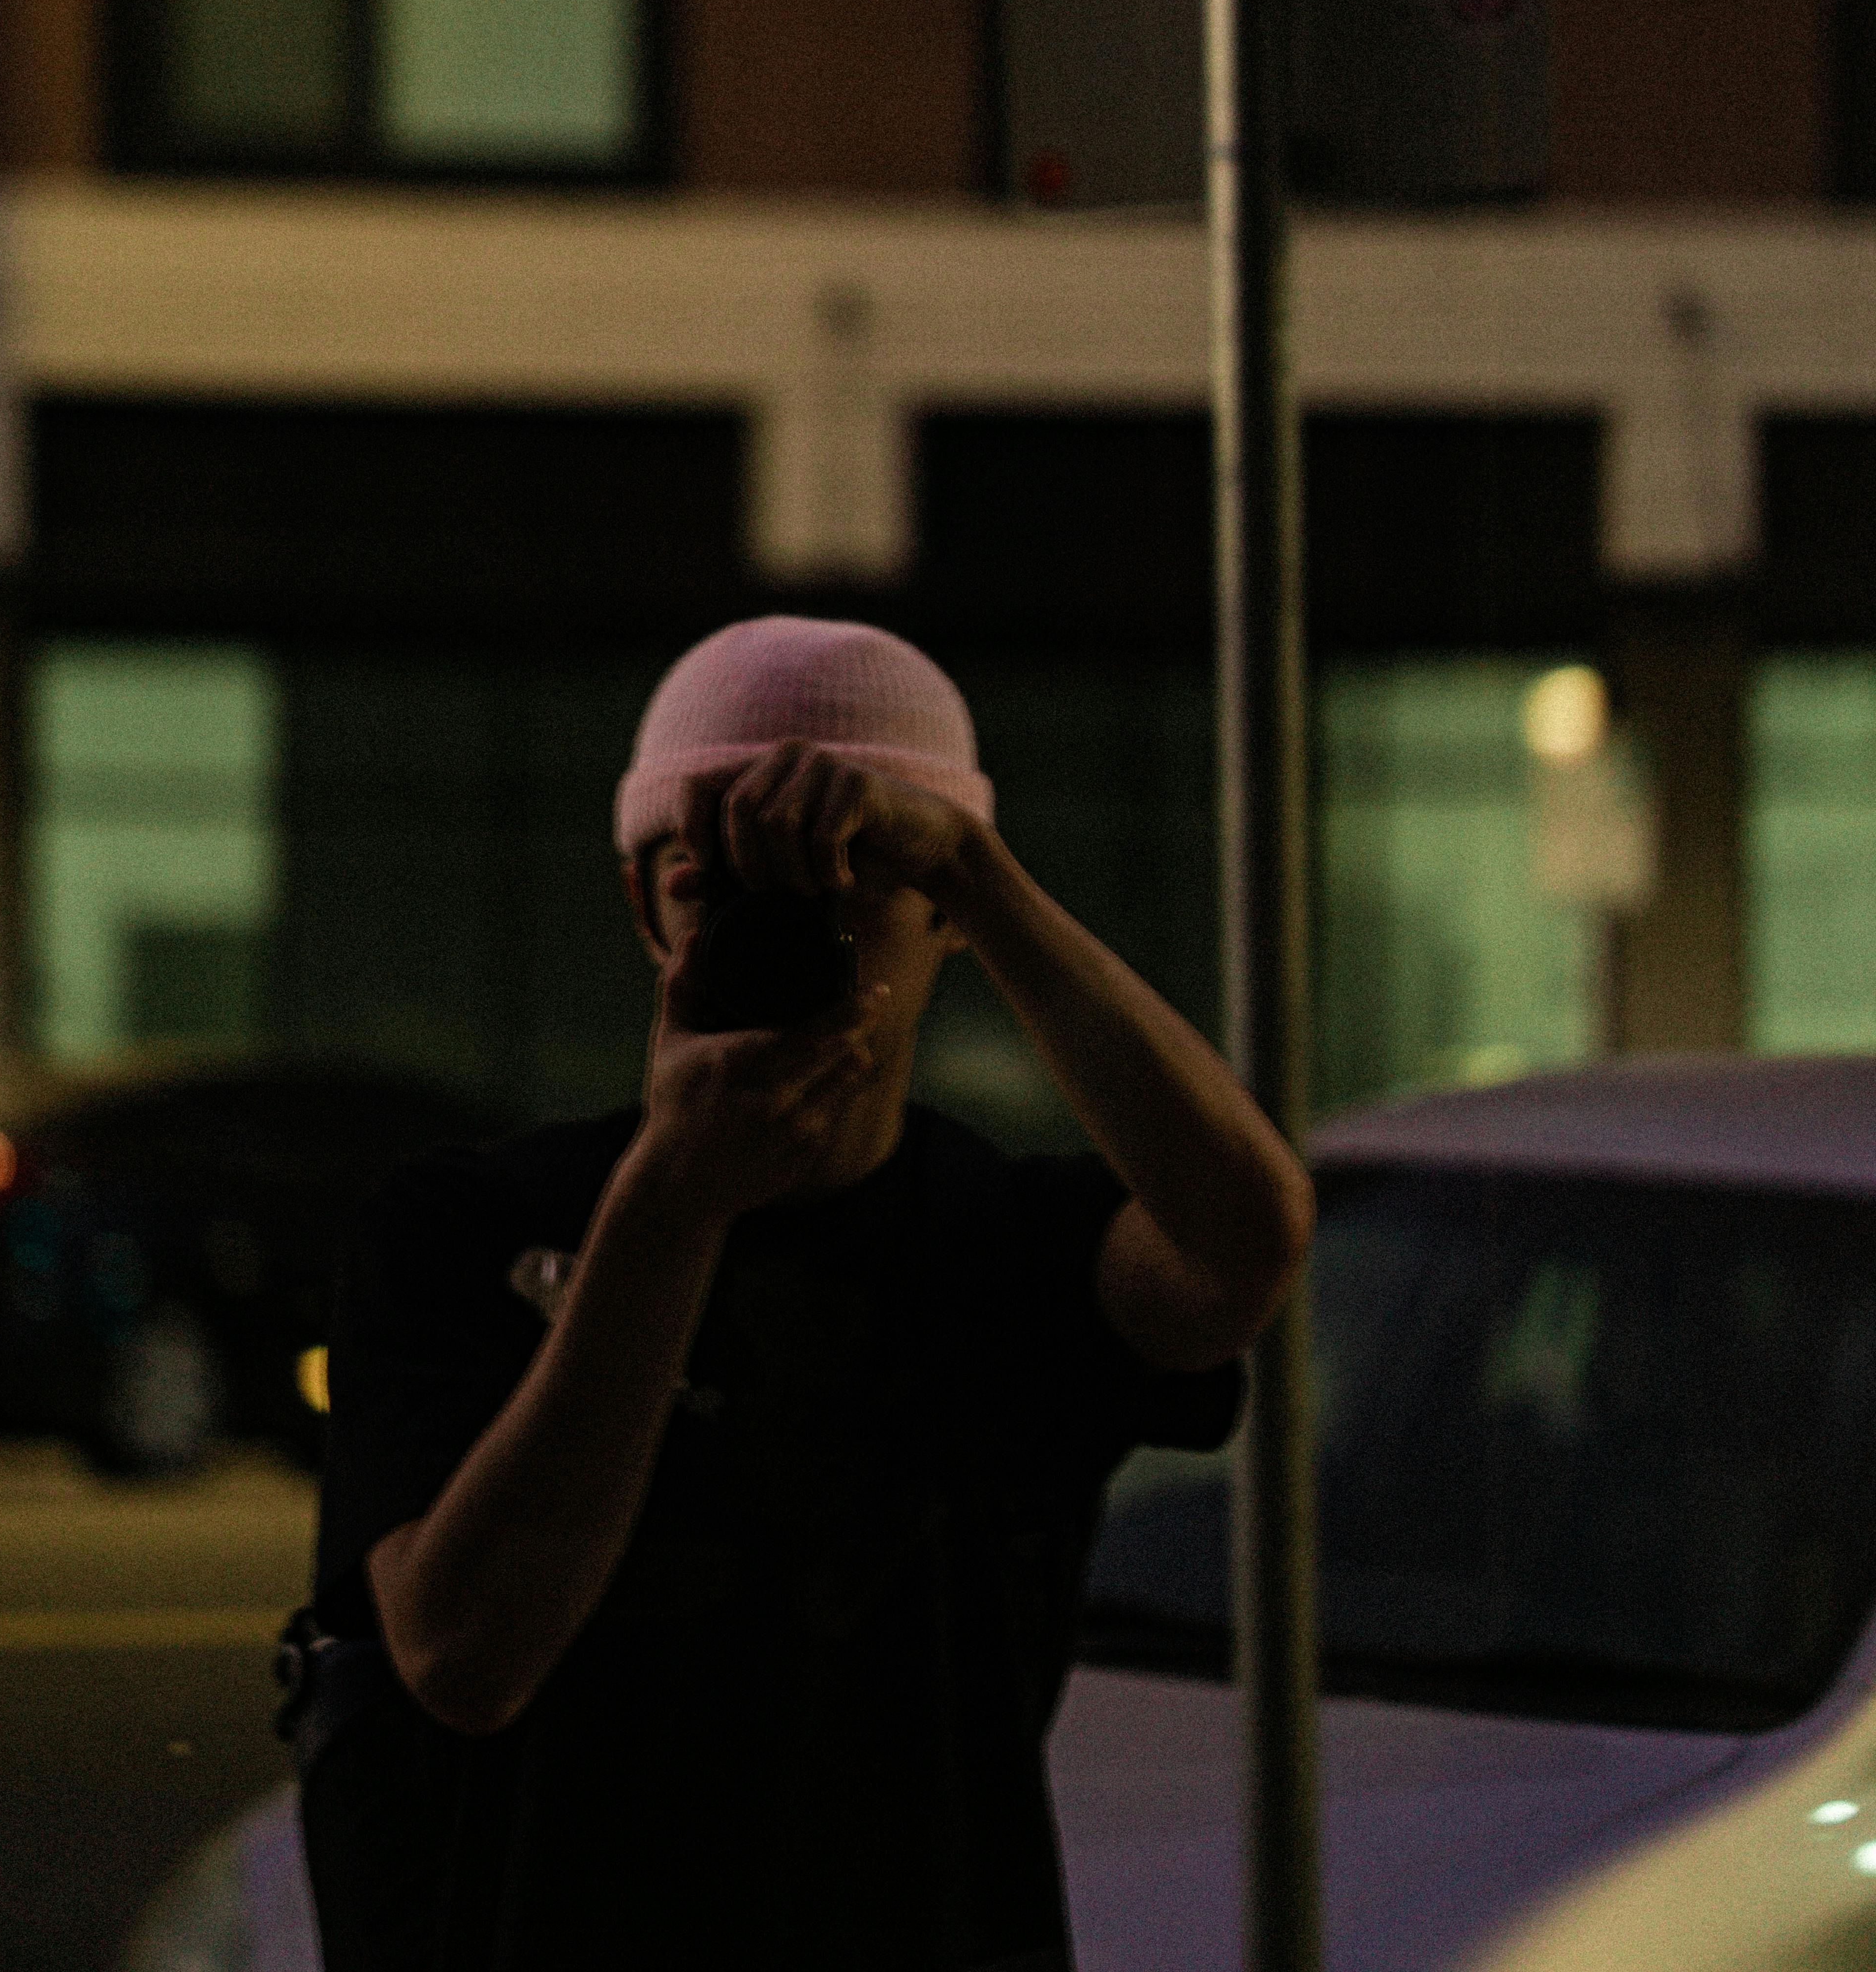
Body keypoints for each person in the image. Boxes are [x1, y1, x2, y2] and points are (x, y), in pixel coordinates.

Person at [296, 615, 1313, 1972]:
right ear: (641, 906)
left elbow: (1251, 1240)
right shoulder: (465, 1227)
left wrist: (975, 862)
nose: (780, 929)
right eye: (711, 883)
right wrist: (671, 1202)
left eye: (853, 884)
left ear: (948, 917)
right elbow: (468, 1658)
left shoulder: (1010, 1241)